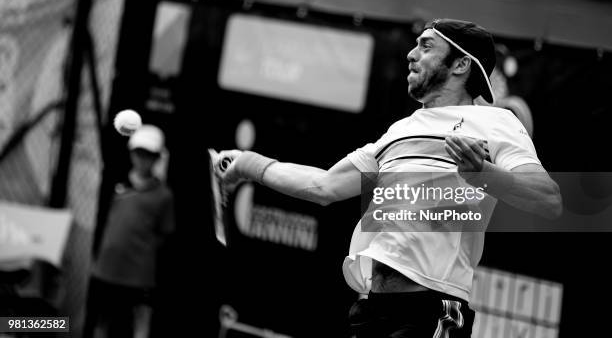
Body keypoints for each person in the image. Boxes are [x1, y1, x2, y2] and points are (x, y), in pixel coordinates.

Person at [215, 19, 562, 337]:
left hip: (430, 310)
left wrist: (484, 174)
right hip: (371, 309)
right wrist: (250, 164)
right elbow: (324, 186)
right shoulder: (400, 130)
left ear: (461, 64)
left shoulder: (496, 122)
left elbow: (549, 200)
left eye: (426, 47)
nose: (411, 54)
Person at [85, 124, 175, 338]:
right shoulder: (114, 182)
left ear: (157, 158)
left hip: (140, 274)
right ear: (131, 153)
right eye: (139, 153)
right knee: (101, 324)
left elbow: (165, 233)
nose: (142, 159)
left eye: (149, 154)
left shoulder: (164, 195)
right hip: (107, 267)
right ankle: (16, 325)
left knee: (141, 324)